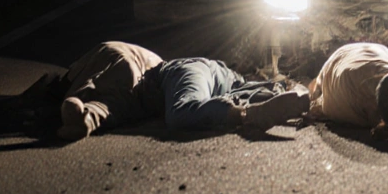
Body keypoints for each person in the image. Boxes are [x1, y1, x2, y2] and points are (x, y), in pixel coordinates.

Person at [53, 41, 310, 140]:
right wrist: (85, 117)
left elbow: (107, 77)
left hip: (173, 74)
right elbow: (113, 105)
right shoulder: (122, 90)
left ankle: (248, 115)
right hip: (168, 84)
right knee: (186, 110)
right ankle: (83, 121)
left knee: (180, 113)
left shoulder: (107, 59)